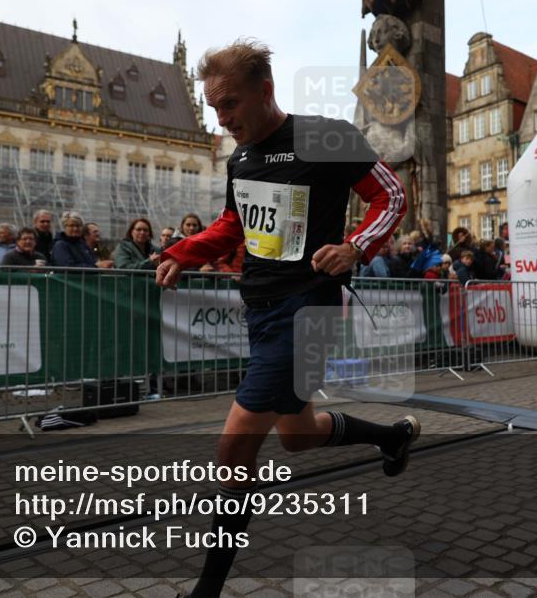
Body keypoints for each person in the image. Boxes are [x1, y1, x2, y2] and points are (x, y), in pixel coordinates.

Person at [155, 40, 417, 598]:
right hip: (263, 312)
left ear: (265, 90)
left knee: (234, 446)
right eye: (214, 109)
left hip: (310, 309)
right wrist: (186, 251)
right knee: (298, 435)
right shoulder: (240, 157)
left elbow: (392, 195)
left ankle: (207, 589)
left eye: (229, 106)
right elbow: (234, 222)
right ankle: (392, 438)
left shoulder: (324, 135)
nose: (222, 120)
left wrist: (355, 246)